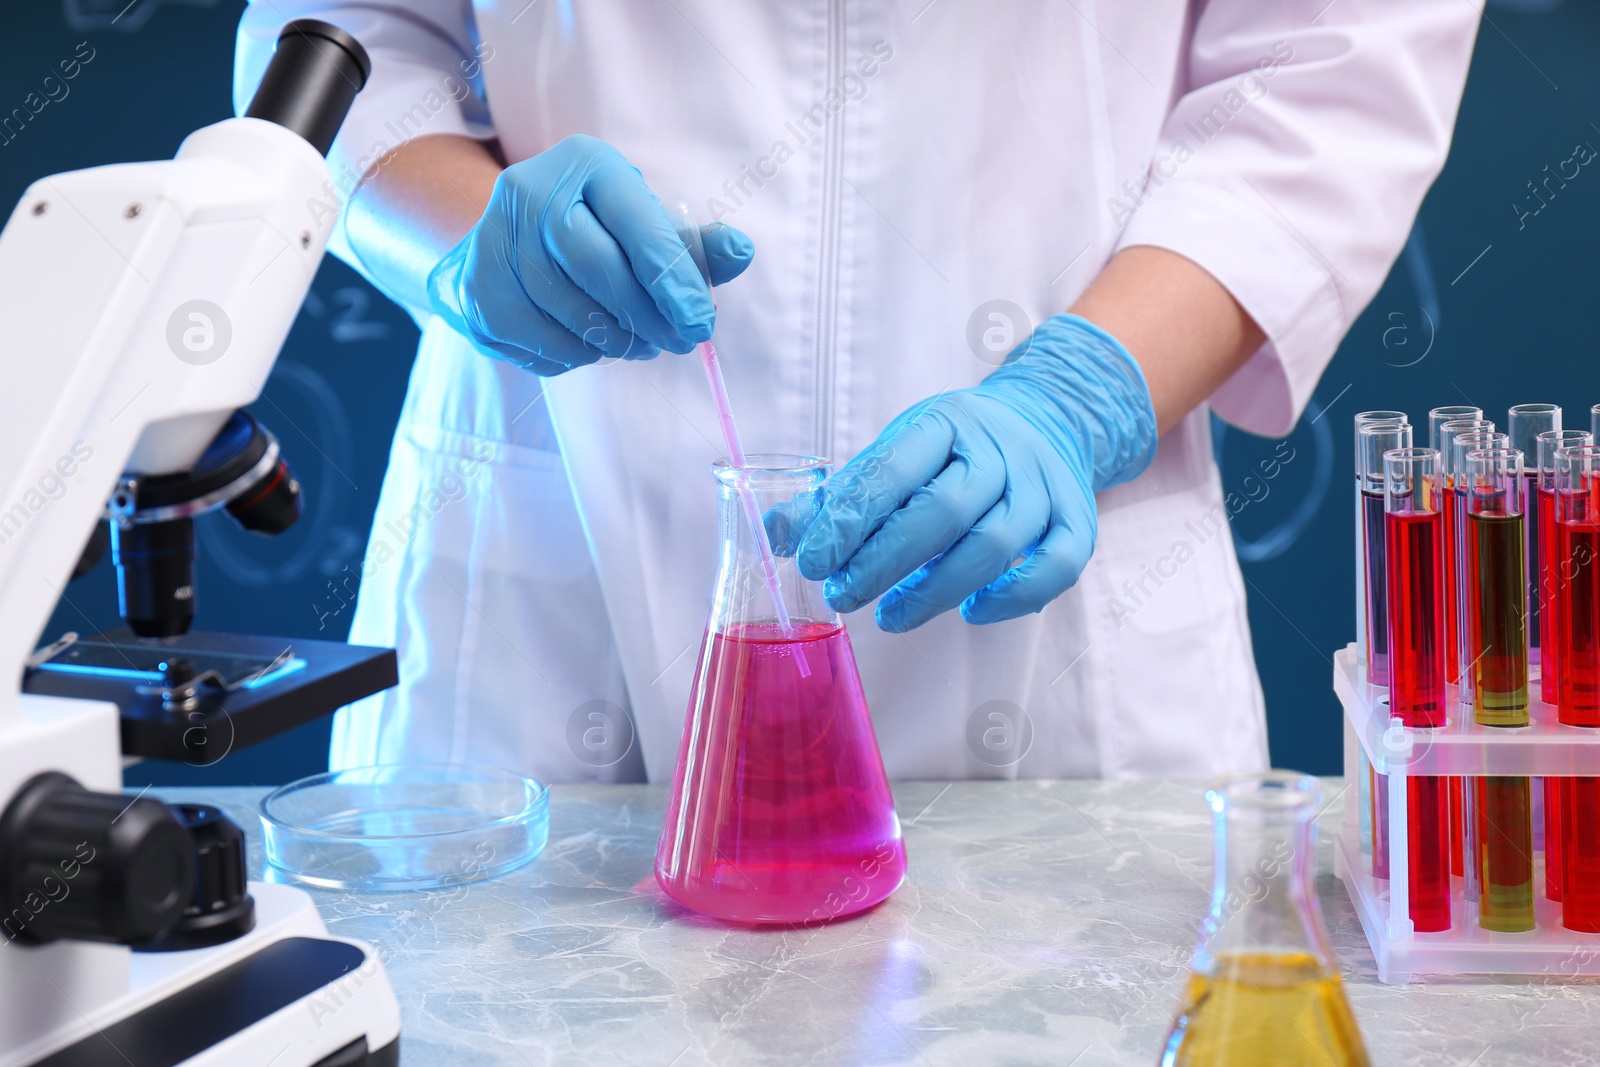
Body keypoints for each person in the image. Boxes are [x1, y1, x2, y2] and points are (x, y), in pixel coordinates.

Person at [235, 2, 1479, 782]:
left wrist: (1081, 389)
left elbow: (1329, 70)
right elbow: (350, 38)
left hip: (1055, 665)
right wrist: (462, 256)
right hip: (560, 576)